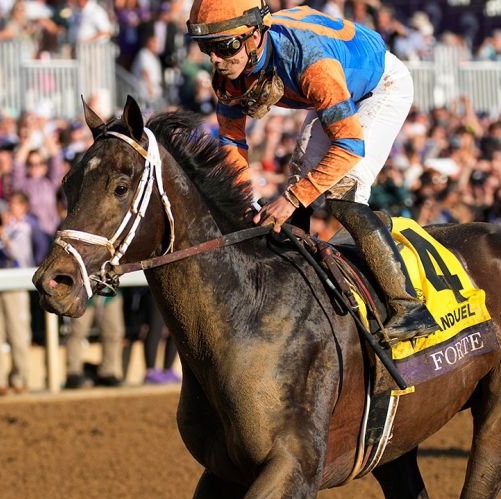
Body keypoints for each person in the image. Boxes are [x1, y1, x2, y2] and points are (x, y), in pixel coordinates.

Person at [187, 0, 439, 344]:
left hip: (379, 87)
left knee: (341, 192)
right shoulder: (229, 71)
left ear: (254, 36)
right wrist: (242, 198)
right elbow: (232, 141)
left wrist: (290, 200)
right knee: (299, 182)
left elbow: (350, 145)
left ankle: (408, 305)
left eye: (224, 47)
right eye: (207, 48)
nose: (215, 59)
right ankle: (295, 293)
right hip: (335, 87)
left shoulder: (308, 62)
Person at [0, 197, 38, 395]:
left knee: (18, 335)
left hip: (14, 286)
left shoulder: (20, 230)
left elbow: (18, 254)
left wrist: (2, 235)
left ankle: (19, 378)